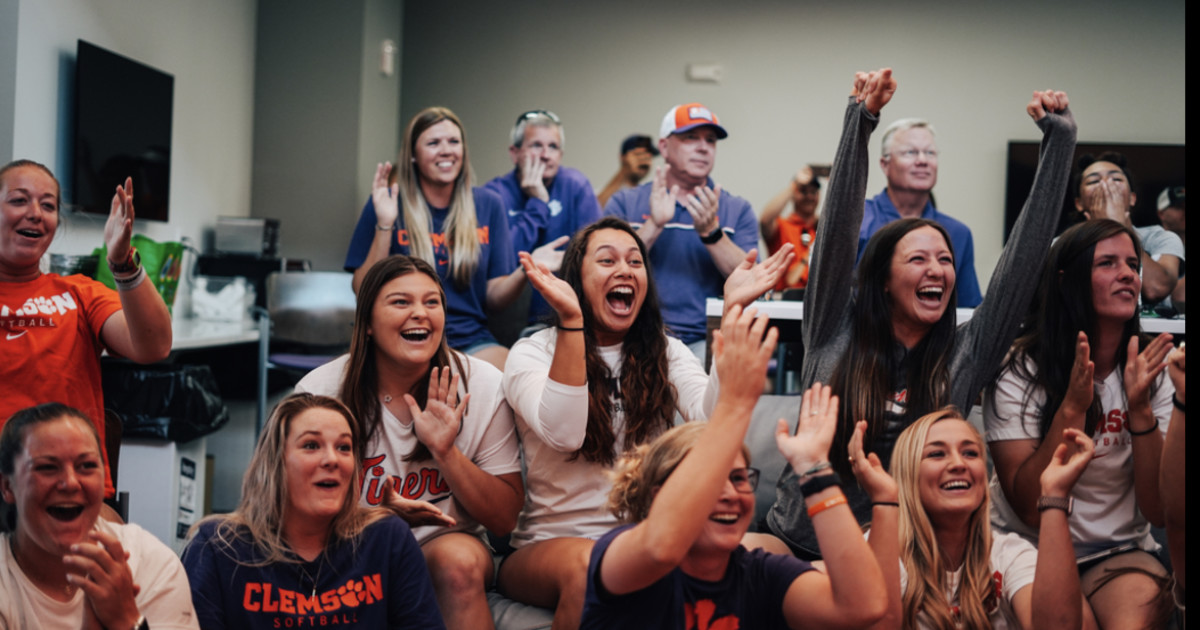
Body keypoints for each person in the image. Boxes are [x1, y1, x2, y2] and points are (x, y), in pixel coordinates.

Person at [764, 70, 1078, 560]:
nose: (938, 270)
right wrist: (861, 121)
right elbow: (838, 233)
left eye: (946, 260)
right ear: (882, 280)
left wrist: (1059, 147)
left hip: (906, 558)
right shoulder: (833, 327)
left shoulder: (965, 352)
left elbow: (1022, 264)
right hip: (800, 545)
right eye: (918, 259)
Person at [498, 216, 791, 629]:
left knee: (773, 550)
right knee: (589, 571)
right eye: (607, 260)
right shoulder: (531, 353)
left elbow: (712, 422)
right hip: (552, 543)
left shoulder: (665, 350)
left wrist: (733, 310)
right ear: (576, 279)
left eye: (636, 262)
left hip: (649, 537)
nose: (625, 270)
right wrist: (570, 321)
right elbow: (565, 434)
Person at [580, 309, 887, 629]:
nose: (729, 493)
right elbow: (661, 548)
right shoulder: (617, 553)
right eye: (712, 481)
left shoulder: (760, 574)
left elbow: (864, 605)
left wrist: (814, 470)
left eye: (739, 478)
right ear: (660, 496)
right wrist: (734, 405)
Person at [295, 255, 522, 630]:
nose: (420, 313)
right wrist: (376, 520)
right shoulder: (319, 391)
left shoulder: (482, 385)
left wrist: (446, 452)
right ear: (367, 323)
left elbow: (504, 518)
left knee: (458, 564)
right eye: (401, 302)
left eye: (432, 302)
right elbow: (287, 513)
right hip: (348, 543)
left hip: (445, 544)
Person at [986, 219, 1176, 629]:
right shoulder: (1019, 369)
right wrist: (1073, 407)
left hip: (1118, 551)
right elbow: (1029, 509)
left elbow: (1157, 510)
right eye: (1107, 263)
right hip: (1027, 545)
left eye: (1131, 263)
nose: (1128, 273)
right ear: (1066, 280)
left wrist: (1140, 408)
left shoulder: (1151, 368)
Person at [182, 393, 445, 629]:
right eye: (311, 445)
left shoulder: (387, 538)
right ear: (276, 462)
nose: (332, 459)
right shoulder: (219, 546)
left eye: (344, 447)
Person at [0, 160, 173, 499]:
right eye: (19, 200)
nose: (35, 213)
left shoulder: (79, 293)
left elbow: (154, 346)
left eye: (47, 205)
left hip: (70, 491)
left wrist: (122, 263)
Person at [851, 408, 1093, 630]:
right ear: (908, 474)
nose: (958, 464)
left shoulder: (1008, 553)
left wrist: (1054, 496)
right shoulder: (884, 547)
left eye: (970, 453)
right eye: (936, 454)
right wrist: (884, 500)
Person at [344, 107, 527, 370]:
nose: (446, 150)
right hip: (404, 335)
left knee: (510, 376)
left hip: (470, 340)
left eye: (454, 141)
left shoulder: (488, 204)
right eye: (433, 143)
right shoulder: (386, 203)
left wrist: (525, 271)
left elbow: (494, 298)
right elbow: (362, 289)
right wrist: (385, 223)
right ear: (413, 156)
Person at [0, 403, 197, 629]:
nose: (71, 482)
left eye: (86, 465)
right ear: (7, 486)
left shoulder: (150, 562)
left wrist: (127, 622)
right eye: (47, 467)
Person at [604, 102, 760, 360]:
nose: (703, 147)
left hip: (705, 342)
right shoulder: (624, 203)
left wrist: (712, 233)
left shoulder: (737, 209)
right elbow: (603, 271)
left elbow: (754, 282)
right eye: (691, 138)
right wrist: (654, 224)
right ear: (664, 147)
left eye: (710, 141)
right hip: (632, 337)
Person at [483, 110, 602, 325]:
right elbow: (502, 263)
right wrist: (537, 203)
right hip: (507, 312)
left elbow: (596, 252)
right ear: (515, 153)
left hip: (566, 308)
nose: (546, 154)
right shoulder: (494, 195)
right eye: (536, 145)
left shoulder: (576, 186)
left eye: (553, 147)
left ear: (561, 155)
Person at [856, 119, 982, 307]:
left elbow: (966, 310)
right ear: (884, 164)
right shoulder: (859, 222)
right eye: (911, 152)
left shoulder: (958, 233)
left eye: (930, 153)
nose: (922, 161)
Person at [1072, 152, 1184, 305]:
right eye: (1093, 181)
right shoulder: (1065, 244)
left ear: (1132, 198)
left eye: (1116, 179)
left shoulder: (1160, 238)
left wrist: (1118, 226)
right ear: (1079, 203)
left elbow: (1155, 289)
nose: (1106, 185)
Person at [759, 165, 822, 291]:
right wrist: (794, 186)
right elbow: (765, 221)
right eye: (803, 191)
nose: (809, 196)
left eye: (813, 192)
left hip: (817, 303)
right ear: (794, 193)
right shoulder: (782, 226)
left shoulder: (822, 230)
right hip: (783, 300)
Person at [595, 135, 658, 208]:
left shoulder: (651, 194)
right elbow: (594, 210)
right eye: (638, 154)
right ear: (622, 157)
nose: (643, 160)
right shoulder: (603, 192)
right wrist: (625, 170)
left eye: (649, 156)